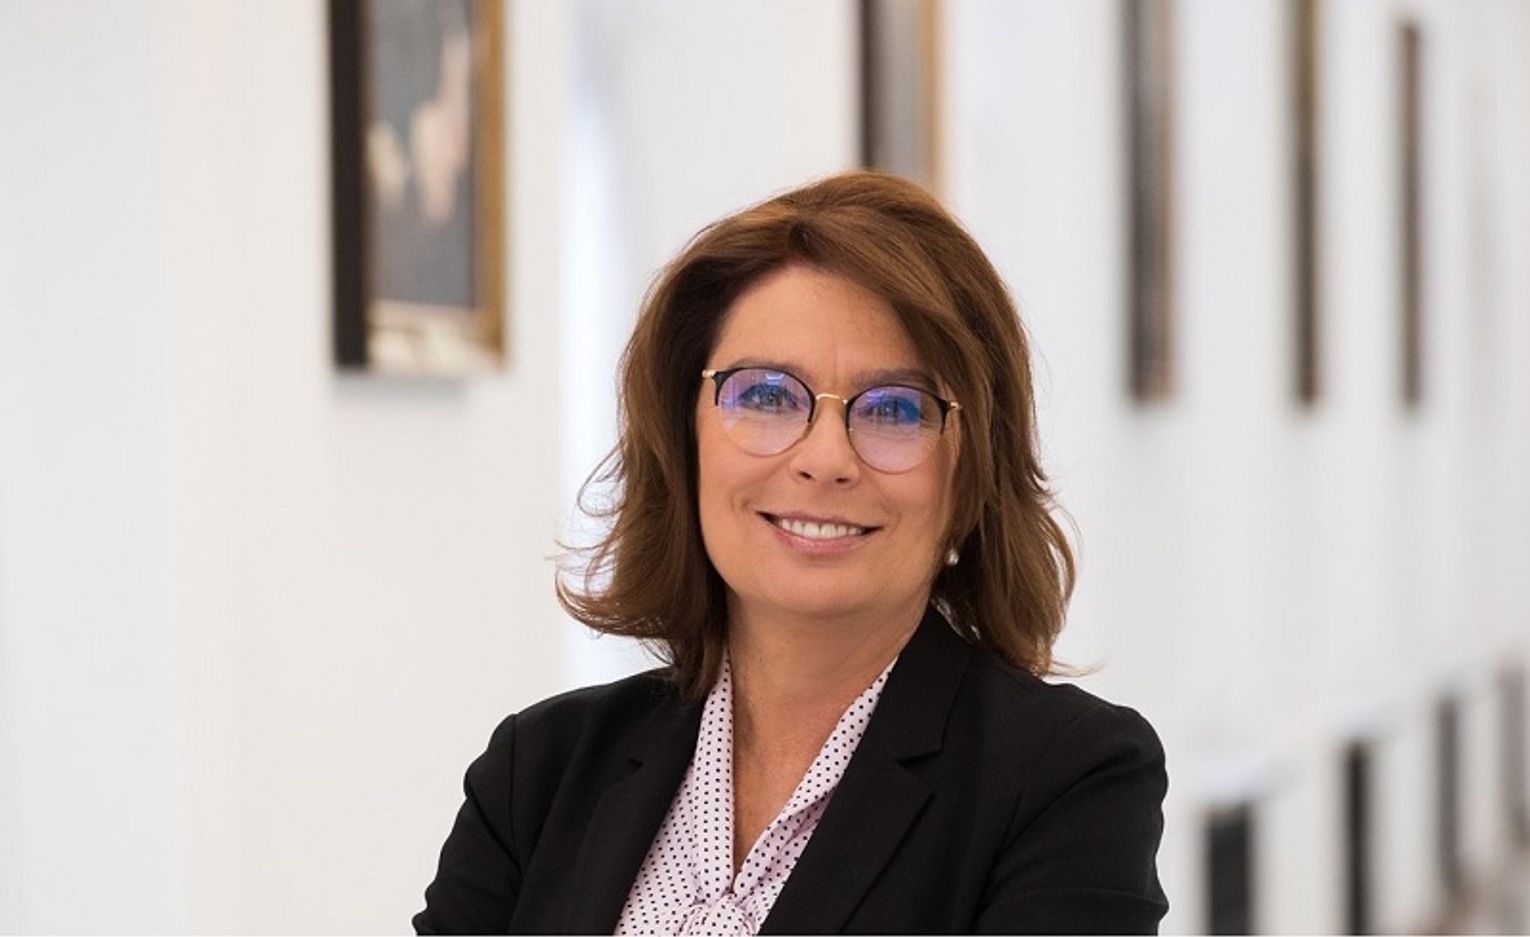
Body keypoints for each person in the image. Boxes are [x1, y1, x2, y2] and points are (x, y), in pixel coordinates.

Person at [414, 171, 1168, 934]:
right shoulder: (537, 775)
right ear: (685, 438)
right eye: (768, 395)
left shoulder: (1067, 781)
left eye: (895, 409)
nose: (825, 459)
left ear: (971, 471)